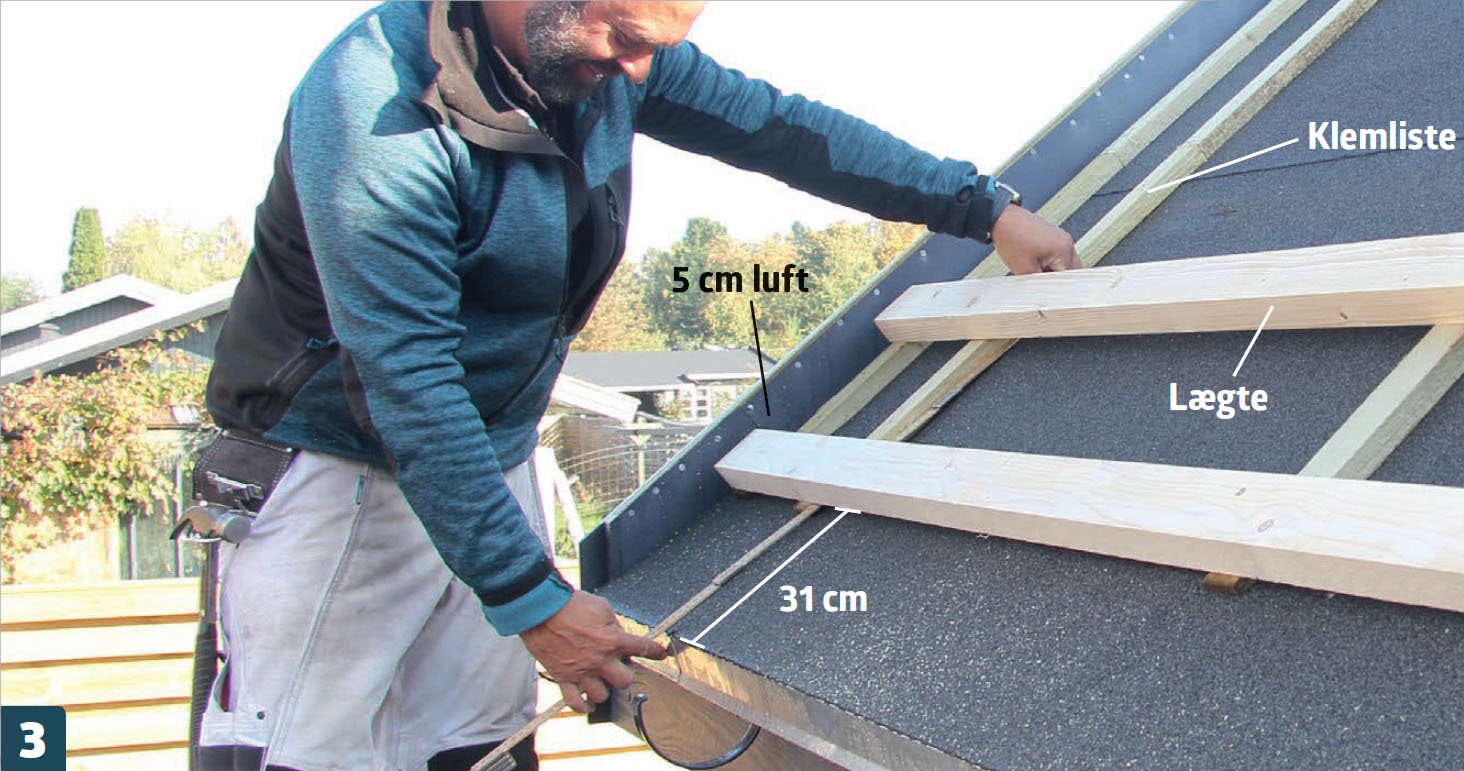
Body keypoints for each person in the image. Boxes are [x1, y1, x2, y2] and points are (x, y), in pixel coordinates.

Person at [198, 2, 1080, 769]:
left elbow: (783, 129)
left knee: (472, 745)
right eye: (621, 34)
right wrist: (529, 597)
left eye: (657, 44)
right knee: (311, 747)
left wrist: (982, 208)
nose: (637, 67)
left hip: (482, 463)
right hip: (333, 476)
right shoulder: (377, 107)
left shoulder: (609, 63)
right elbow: (407, 378)